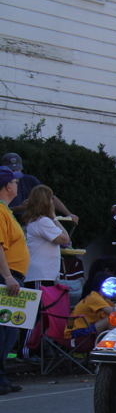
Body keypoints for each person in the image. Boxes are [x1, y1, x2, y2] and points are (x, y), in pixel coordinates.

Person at [0, 166, 29, 395]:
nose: (18, 185)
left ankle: (1, 377)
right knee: (3, 329)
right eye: (16, 182)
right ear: (7, 186)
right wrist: (8, 276)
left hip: (11, 277)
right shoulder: (0, 210)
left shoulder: (5, 210)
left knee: (9, 329)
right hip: (6, 276)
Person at [3, 153, 79, 225]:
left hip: (28, 223)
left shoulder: (30, 180)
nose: (15, 173)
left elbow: (49, 197)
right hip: (7, 221)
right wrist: (20, 208)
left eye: (17, 169)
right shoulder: (2, 183)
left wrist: (68, 214)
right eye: (12, 170)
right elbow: (1, 210)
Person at [22, 186, 69, 289]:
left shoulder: (33, 220)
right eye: (52, 198)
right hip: (40, 275)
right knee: (42, 300)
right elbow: (65, 239)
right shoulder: (43, 221)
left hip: (37, 274)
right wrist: (54, 218)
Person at [66, 271, 116, 340]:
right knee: (111, 320)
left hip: (83, 330)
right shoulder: (95, 299)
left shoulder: (105, 300)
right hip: (74, 334)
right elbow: (115, 313)